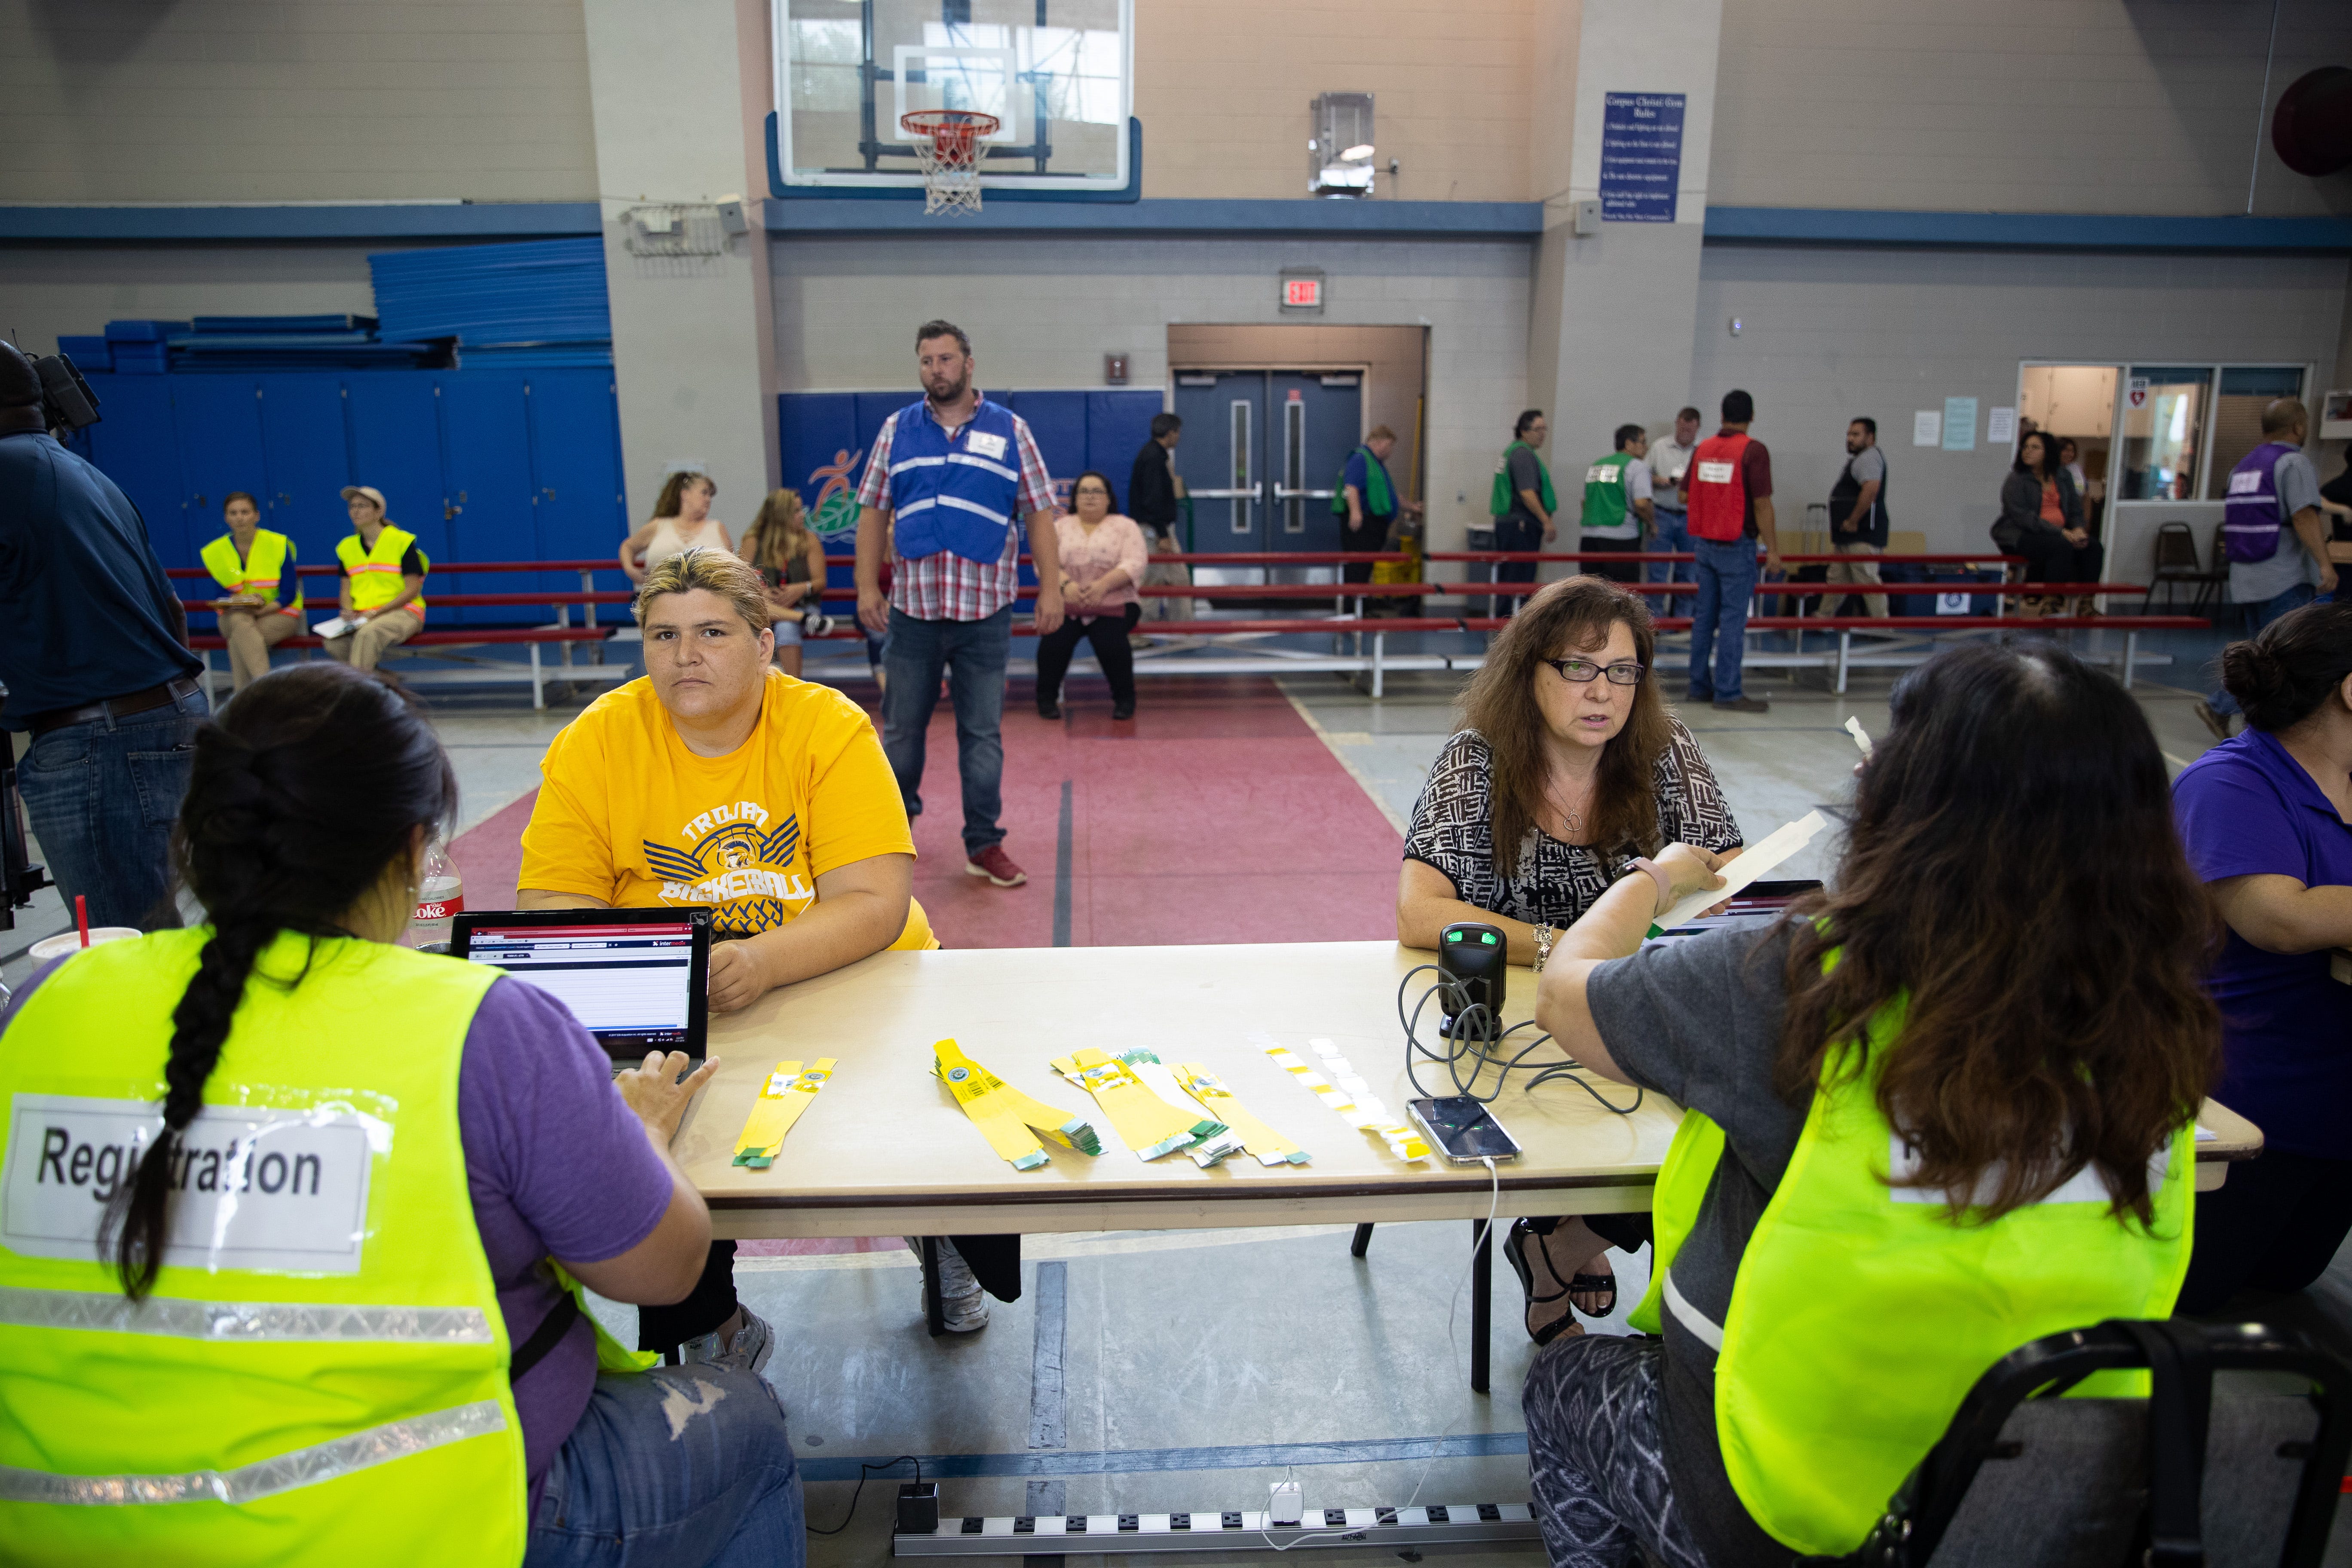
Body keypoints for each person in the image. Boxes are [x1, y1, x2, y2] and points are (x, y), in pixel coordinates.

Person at [0, 661, 805, 1565]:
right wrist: (647, 1135)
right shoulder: (480, 1026)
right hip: (419, 1525)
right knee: (747, 1421)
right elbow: (662, 1272)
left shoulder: (42, 1001)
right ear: (410, 848)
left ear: (195, 836)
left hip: (60, 1525)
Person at [1523, 642, 2217, 1568]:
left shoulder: (1805, 982)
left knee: (1566, 1380)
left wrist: (1654, 880)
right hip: (2042, 1507)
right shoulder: (2157, 1023)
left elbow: (1567, 993)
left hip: (1792, 1510)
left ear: (1909, 803)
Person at [518, 550, 1011, 1338]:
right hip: (683, 994)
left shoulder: (828, 726)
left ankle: (947, 1232)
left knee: (940, 1111)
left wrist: (760, 960)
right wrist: (658, 975)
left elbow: (873, 902)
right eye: (662, 634)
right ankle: (711, 1322)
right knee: (656, 1121)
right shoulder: (596, 741)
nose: (685, 655)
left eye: (712, 631)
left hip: (856, 976)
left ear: (763, 643)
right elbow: (551, 902)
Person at [1397, 576, 1743, 1342]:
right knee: (1602, 1120)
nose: (1604, 692)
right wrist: (1563, 949)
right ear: (1530, 672)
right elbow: (1420, 911)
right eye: (1579, 668)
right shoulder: (1475, 762)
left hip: (1635, 1006)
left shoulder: (1665, 749)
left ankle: (1559, 1242)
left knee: (1720, 1123)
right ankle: (1566, 1239)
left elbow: (1728, 864)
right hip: (1511, 1022)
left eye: (1623, 671)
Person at [2173, 602, 2352, 1313]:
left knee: (2285, 1277)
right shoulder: (2233, 781)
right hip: (2249, 1104)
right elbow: (2280, 916)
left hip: (2330, 1109)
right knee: (2214, 1295)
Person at [0, 338, 204, 931]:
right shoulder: (77, 469)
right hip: (160, 719)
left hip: (101, 743)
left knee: (124, 948)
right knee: (150, 932)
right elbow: (173, 612)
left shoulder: (8, 470)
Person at [854, 319, 1064, 891]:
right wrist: (867, 587)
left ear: (969, 364)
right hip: (914, 612)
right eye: (927, 361)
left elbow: (1039, 512)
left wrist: (1051, 587)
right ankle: (889, 840)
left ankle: (984, 844)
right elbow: (872, 509)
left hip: (986, 615)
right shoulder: (896, 429)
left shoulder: (1012, 430)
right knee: (901, 733)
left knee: (982, 735)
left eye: (946, 359)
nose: (936, 370)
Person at [2196, 399, 2336, 739]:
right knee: (2285, 653)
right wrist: (2324, 564)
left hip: (2246, 577)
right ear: (2299, 427)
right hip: (2283, 577)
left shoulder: (2242, 468)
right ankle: (2230, 709)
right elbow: (2304, 515)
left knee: (2262, 651)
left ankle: (2233, 711)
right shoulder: (2293, 463)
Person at [1681, 389, 1782, 714]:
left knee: (1704, 619)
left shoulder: (1703, 449)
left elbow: (1685, 497)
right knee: (1733, 621)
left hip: (1705, 545)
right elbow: (1762, 504)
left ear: (1721, 415)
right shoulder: (1753, 451)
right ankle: (1727, 692)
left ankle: (1698, 686)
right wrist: (1775, 550)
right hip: (1737, 546)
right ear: (1751, 417)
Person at [1035, 471, 1148, 721]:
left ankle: (1125, 700)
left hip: (1116, 601)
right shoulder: (1060, 527)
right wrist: (1067, 588)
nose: (1090, 497)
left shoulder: (1126, 526)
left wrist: (1102, 587)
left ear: (1109, 499)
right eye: (1084, 491)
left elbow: (1135, 563)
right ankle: (1046, 699)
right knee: (1054, 639)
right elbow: (1045, 561)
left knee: (1110, 641)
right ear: (1075, 498)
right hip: (1067, 600)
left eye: (1097, 491)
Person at [1993, 432, 2102, 621]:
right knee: (2060, 546)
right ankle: (2050, 603)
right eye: (2026, 447)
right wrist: (2062, 533)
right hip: (2020, 534)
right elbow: (2023, 517)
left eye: (2035, 447)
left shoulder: (2063, 476)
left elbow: (2075, 509)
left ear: (2048, 452)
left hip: (2059, 533)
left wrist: (2078, 529)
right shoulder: (2017, 479)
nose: (2028, 451)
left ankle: (2086, 604)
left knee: (2093, 547)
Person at [202, 490, 303, 690]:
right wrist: (242, 603)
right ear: (226, 518)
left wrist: (260, 610)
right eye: (233, 513)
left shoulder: (277, 544)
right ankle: (266, 691)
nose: (239, 518)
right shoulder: (217, 551)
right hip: (233, 615)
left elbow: (289, 593)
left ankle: (246, 700)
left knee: (239, 639)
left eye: (245, 512)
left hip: (278, 613)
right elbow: (220, 595)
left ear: (257, 516)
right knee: (240, 622)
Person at [324, 484, 428, 673]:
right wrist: (347, 610)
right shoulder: (347, 547)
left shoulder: (401, 541)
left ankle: (358, 693)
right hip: (363, 616)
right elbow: (345, 589)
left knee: (367, 635)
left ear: (378, 511)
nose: (355, 511)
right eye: (352, 507)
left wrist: (378, 612)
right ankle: (377, 680)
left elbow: (413, 590)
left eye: (362, 506)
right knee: (334, 643)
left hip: (403, 612)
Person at [738, 487, 834, 679]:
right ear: (781, 516)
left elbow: (820, 582)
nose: (802, 515)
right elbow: (741, 582)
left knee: (785, 628)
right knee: (752, 611)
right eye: (797, 511)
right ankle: (802, 619)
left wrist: (801, 588)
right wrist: (763, 593)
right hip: (765, 607)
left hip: (804, 605)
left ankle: (793, 686)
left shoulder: (809, 539)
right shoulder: (753, 541)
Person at [1127, 410, 1194, 625]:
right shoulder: (1154, 458)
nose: (1179, 437)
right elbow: (1152, 500)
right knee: (1153, 581)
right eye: (1178, 433)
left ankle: (1180, 628)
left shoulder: (1153, 455)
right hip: (1154, 531)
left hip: (1153, 528)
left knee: (1174, 579)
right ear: (1170, 433)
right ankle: (1142, 632)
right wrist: (1163, 534)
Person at [1336, 425, 1420, 586]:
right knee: (1358, 568)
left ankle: (1361, 605)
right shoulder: (1360, 459)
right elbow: (1350, 487)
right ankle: (1352, 607)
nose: (1391, 451)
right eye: (1390, 446)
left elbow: (1391, 497)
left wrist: (1413, 507)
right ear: (1380, 443)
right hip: (1363, 527)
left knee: (1365, 568)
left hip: (1373, 527)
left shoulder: (1375, 464)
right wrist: (1355, 513)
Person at [1492, 410, 1557, 614]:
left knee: (1511, 578)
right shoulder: (1523, 455)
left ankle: (1507, 626)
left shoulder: (1513, 452)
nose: (1543, 434)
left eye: (1545, 429)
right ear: (1523, 431)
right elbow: (1528, 493)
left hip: (1510, 524)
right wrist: (1546, 520)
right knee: (1518, 580)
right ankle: (1512, 629)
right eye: (1538, 429)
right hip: (1521, 526)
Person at [621, 470, 732, 585]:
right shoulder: (659, 526)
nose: (708, 500)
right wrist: (631, 571)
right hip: (661, 596)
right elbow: (628, 546)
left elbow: (733, 565)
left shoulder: (717, 528)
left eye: (710, 495)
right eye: (704, 493)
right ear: (685, 494)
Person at [1826, 417, 1889, 619]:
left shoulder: (1869, 458)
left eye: (1856, 435)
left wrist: (1853, 521)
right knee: (1837, 579)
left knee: (1868, 580)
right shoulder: (1860, 459)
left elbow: (1871, 490)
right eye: (1849, 434)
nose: (1850, 439)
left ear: (1870, 437)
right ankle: (1822, 618)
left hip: (1861, 535)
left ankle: (1884, 626)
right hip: (1847, 536)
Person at [1577, 425, 1654, 585]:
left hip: (1589, 538)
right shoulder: (1637, 467)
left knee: (1590, 594)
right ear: (1628, 444)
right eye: (1643, 442)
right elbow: (1641, 504)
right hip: (1621, 539)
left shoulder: (1597, 466)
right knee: (1622, 594)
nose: (1646, 447)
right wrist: (1653, 524)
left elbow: (1585, 502)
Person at [1643, 407, 1700, 587]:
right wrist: (1661, 480)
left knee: (1689, 573)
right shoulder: (1660, 446)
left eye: (1690, 430)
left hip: (1691, 516)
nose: (1686, 433)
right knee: (1657, 571)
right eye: (1682, 429)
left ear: (1698, 428)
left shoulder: (1703, 448)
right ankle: (1656, 615)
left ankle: (1684, 616)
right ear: (1677, 424)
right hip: (1662, 514)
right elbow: (1643, 476)